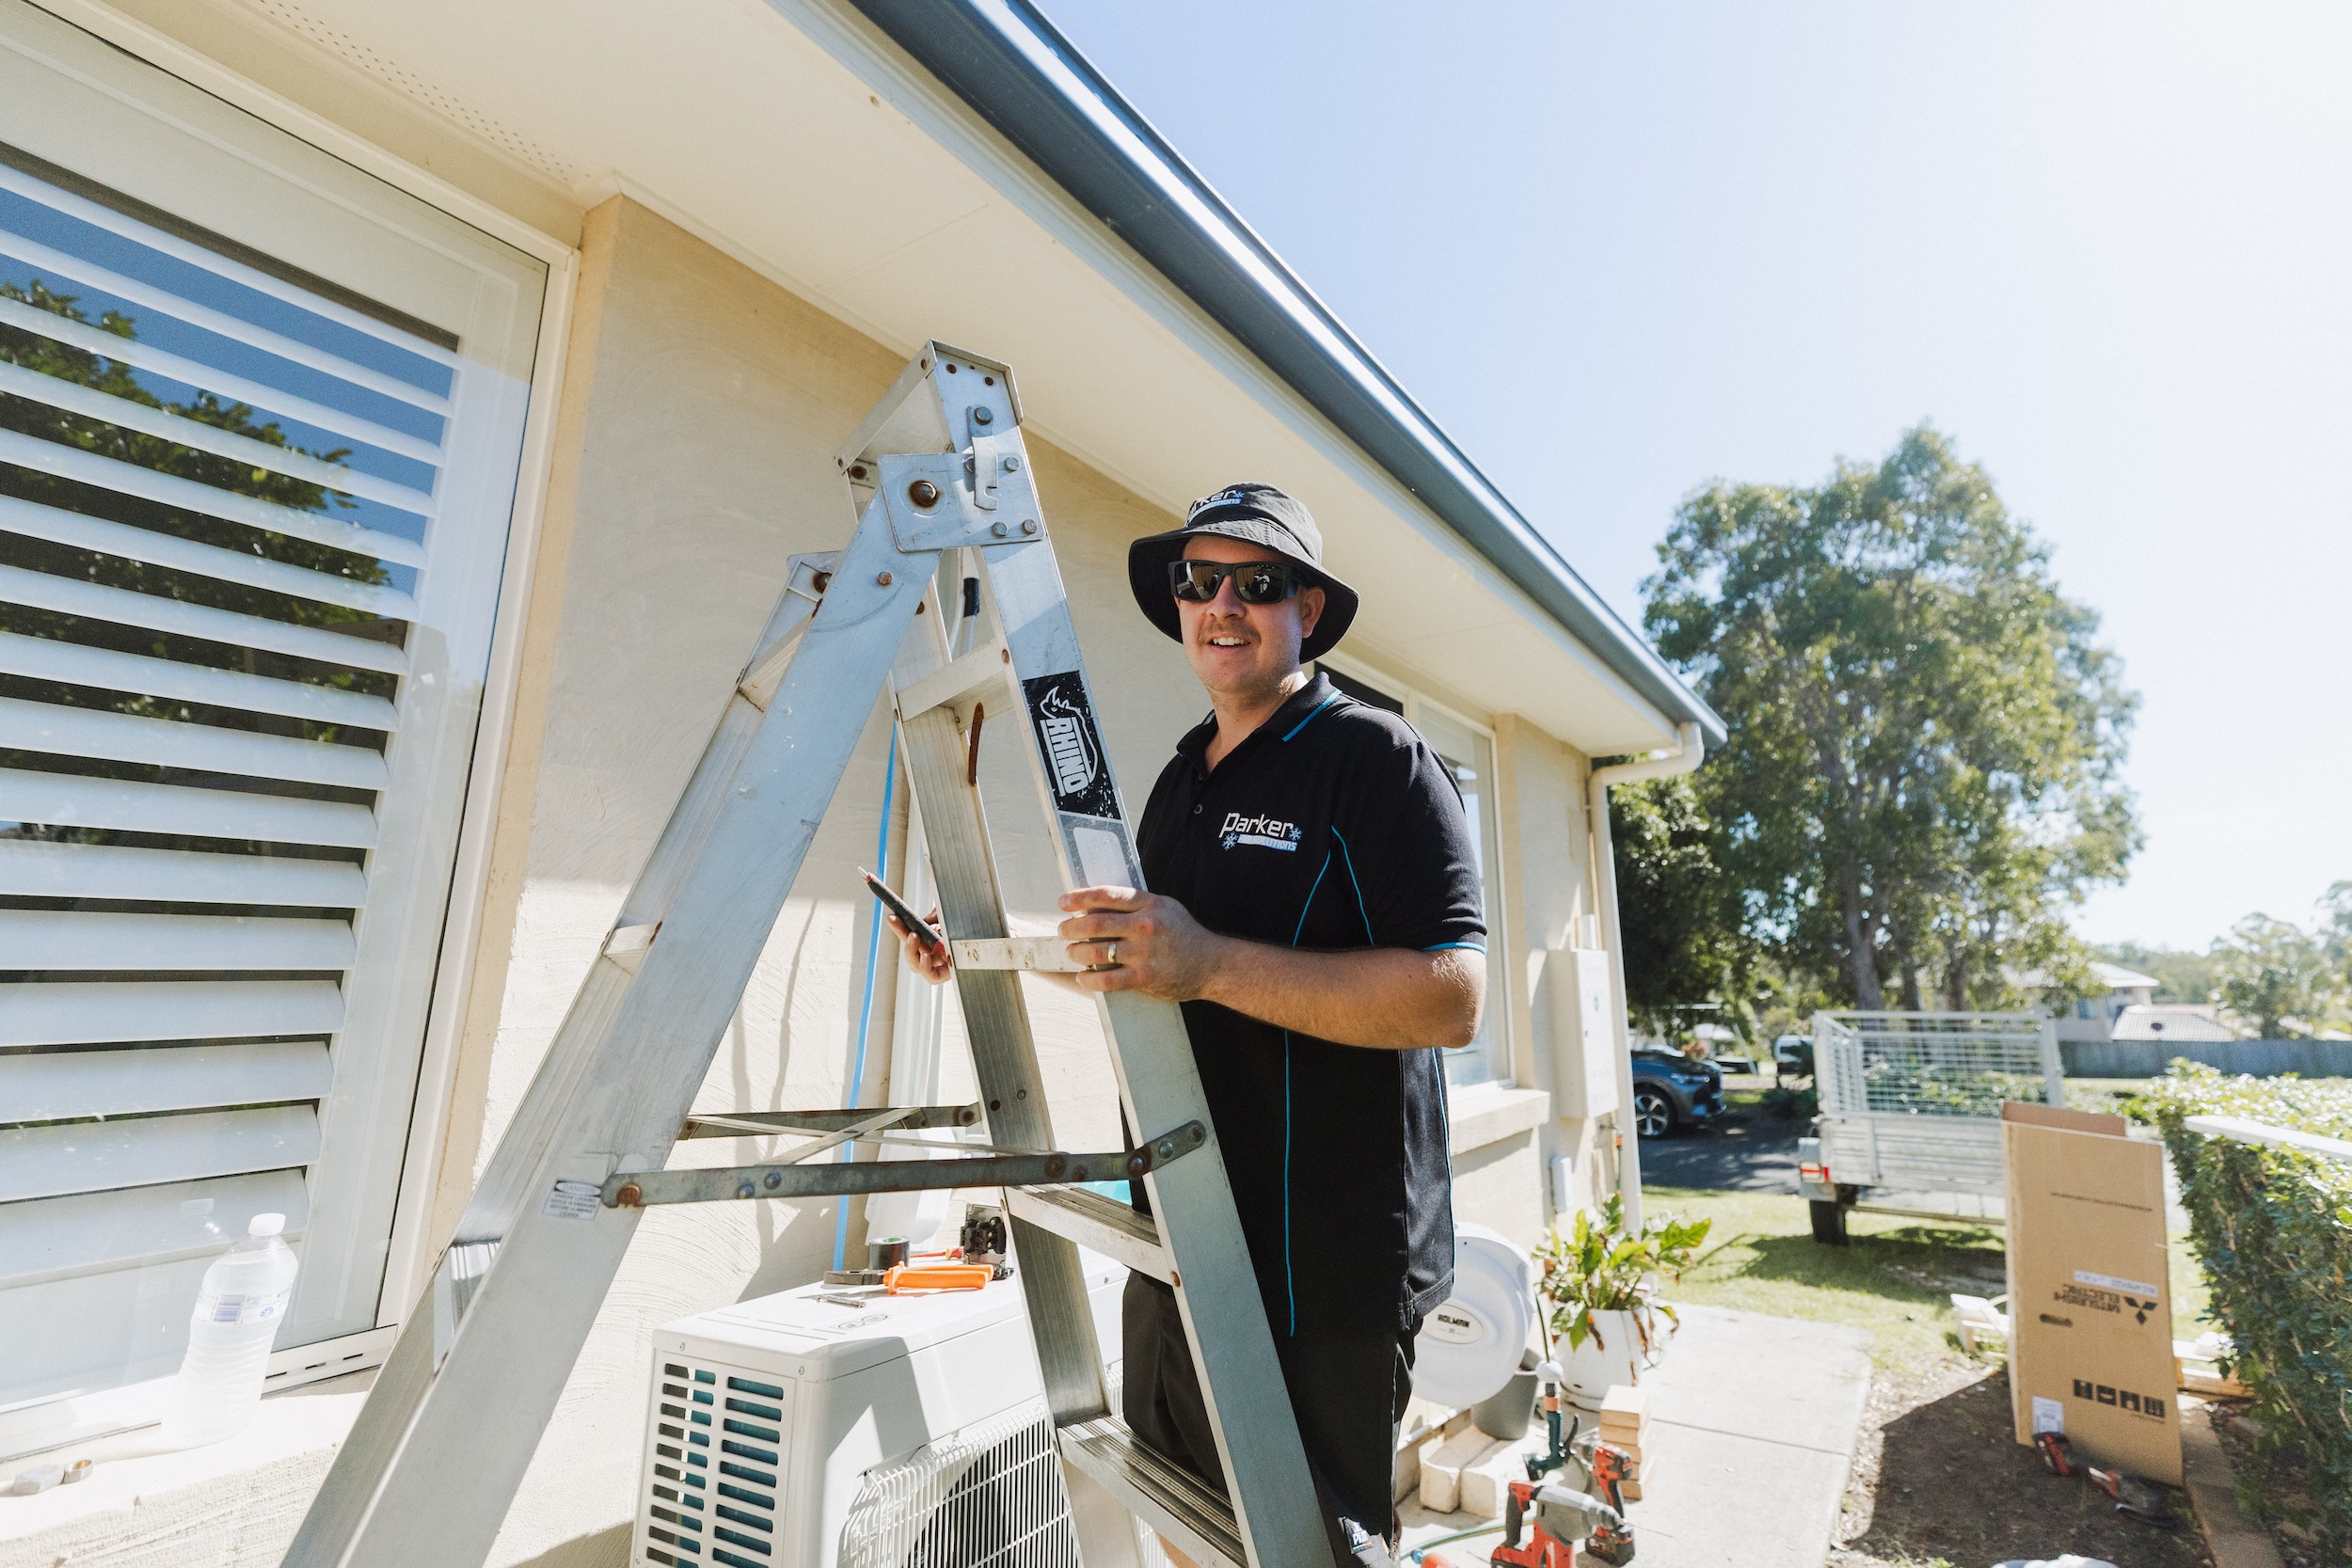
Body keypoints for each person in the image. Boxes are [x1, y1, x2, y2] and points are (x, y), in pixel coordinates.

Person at [889, 483, 1486, 1568]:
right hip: (1182, 1231)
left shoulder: (1375, 756)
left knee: (1307, 1550)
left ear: (1307, 606)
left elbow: (1450, 998)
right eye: (1197, 580)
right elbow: (1143, 961)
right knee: (1190, 1533)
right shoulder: (1178, 779)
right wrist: (983, 943)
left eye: (1255, 584)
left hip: (1324, 1263)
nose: (1222, 603)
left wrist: (1207, 961)